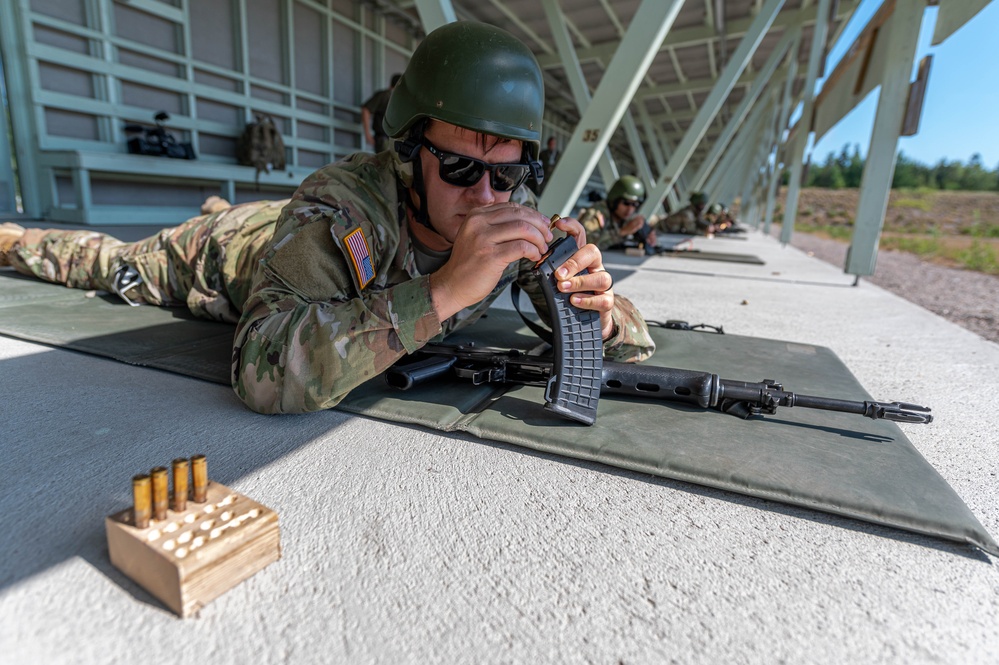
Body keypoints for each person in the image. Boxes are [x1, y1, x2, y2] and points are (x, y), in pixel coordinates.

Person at [0, 21, 655, 416]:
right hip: (218, 253)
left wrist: (595, 314)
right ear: (409, 152)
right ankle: (12, 238)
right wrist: (446, 289)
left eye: (507, 175)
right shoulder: (344, 204)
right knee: (100, 262)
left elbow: (632, 336)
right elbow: (263, 368)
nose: (486, 195)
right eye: (458, 169)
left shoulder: (504, 209)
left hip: (284, 237)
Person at [577, 175, 656, 252]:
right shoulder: (596, 214)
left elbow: (657, 222)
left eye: (635, 204)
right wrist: (622, 232)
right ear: (614, 201)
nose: (630, 209)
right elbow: (586, 245)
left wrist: (649, 231)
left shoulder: (627, 216)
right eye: (626, 203)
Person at [361, 73, 402, 153]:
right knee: (385, 163)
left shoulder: (398, 100)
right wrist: (367, 133)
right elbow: (366, 109)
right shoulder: (385, 95)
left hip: (393, 140)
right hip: (384, 139)